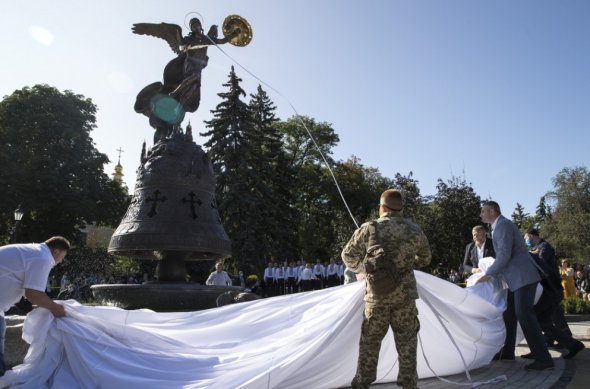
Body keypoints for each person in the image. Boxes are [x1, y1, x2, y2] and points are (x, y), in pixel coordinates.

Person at [342, 189, 431, 389]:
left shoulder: (369, 228)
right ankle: (409, 384)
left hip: (377, 297)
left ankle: (362, 383)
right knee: (407, 343)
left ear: (382, 207)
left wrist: (364, 270)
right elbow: (425, 259)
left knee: (370, 343)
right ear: (401, 208)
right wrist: (407, 262)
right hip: (405, 297)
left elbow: (348, 255)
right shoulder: (414, 230)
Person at [477, 201, 554, 371]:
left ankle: (544, 358)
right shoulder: (499, 226)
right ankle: (508, 352)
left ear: (491, 211)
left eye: (482, 211)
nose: (480, 214)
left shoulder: (503, 225)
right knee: (509, 314)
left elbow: (504, 254)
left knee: (524, 315)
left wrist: (489, 273)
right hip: (516, 279)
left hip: (523, 277)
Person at [0, 236, 70, 376]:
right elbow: (33, 294)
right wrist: (56, 308)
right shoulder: (43, 258)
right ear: (56, 251)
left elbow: (29, 292)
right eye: (62, 257)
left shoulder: (32, 252)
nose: (61, 261)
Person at [522, 228, 585, 360]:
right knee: (543, 320)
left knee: (537, 318)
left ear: (532, 236)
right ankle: (568, 344)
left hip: (550, 289)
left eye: (526, 238)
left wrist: (525, 254)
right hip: (546, 290)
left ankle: (544, 348)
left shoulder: (544, 247)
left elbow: (539, 261)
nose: (525, 241)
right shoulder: (535, 248)